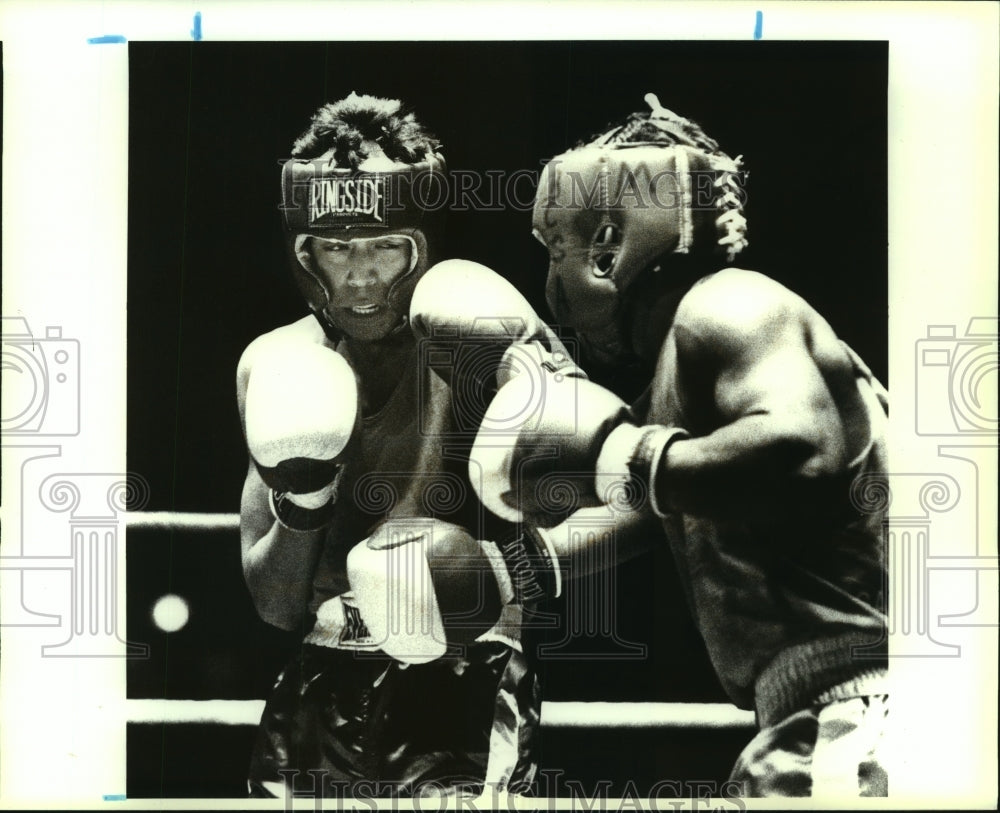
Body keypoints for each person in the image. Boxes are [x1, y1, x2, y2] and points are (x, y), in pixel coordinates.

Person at [470, 94, 891, 797]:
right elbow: (646, 502)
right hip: (821, 714)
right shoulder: (688, 373)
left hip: (859, 712)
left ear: (609, 244)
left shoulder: (728, 305)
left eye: (559, 251)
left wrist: (617, 451)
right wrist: (506, 571)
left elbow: (798, 445)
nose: (554, 283)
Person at [236, 93, 573, 800]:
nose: (359, 275)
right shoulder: (278, 363)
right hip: (320, 682)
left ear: (420, 242)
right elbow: (273, 603)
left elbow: (610, 508)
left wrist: (491, 575)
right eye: (336, 247)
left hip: (463, 679)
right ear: (305, 252)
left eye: (384, 244)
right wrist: (306, 498)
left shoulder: (488, 330)